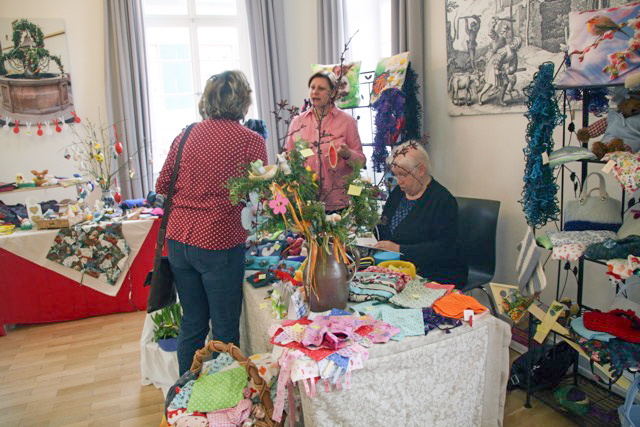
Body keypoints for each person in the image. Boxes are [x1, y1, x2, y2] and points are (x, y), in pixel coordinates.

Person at [156, 70, 267, 375]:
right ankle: (223, 403)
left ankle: (185, 394)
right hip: (219, 243)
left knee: (192, 322)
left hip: (180, 241)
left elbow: (162, 185)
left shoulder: (186, 134)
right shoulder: (250, 140)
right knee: (225, 329)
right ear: (243, 101)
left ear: (207, 100)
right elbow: (261, 194)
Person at [374, 141, 467, 287]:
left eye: (403, 175)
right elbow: (384, 225)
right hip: (397, 269)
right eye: (396, 175)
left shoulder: (443, 201)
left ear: (421, 170)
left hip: (435, 274)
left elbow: (444, 249)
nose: (399, 181)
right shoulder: (398, 193)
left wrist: (399, 250)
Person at [285, 70, 365, 212]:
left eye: (321, 89)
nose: (315, 92)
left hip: (338, 202)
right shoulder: (297, 122)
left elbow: (361, 162)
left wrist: (348, 154)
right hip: (306, 202)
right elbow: (289, 158)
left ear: (333, 93)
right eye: (312, 87)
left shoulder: (347, 122)